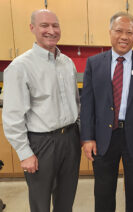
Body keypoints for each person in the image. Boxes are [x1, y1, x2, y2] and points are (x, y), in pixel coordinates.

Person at [2, 9, 81, 212]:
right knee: (40, 202)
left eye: (55, 25)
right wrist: (24, 152)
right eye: (44, 25)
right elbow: (12, 117)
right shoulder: (20, 67)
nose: (51, 30)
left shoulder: (68, 63)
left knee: (66, 199)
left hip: (70, 139)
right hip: (41, 143)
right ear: (32, 28)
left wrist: (79, 131)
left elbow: (76, 102)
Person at [80, 12, 133, 212]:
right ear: (110, 32)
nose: (124, 36)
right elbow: (87, 103)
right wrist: (88, 138)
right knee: (103, 191)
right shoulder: (94, 63)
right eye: (119, 31)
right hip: (104, 136)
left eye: (129, 32)